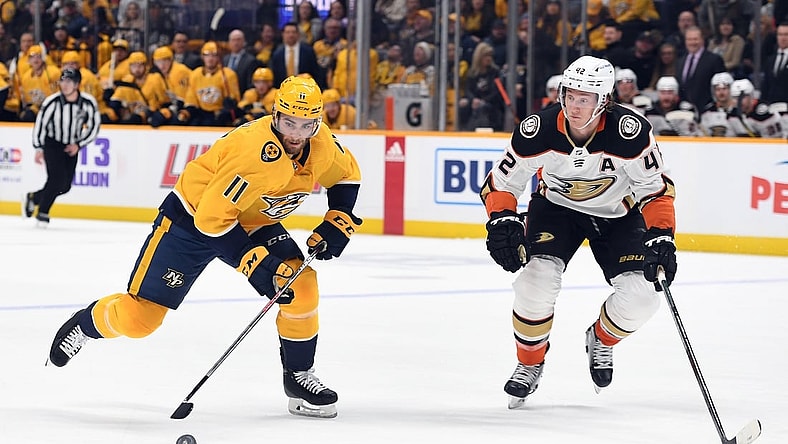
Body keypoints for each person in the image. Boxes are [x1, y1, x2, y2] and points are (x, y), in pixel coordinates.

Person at [46, 75, 362, 419]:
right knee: (140, 321)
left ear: (318, 122)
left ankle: (298, 377)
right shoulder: (252, 153)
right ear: (274, 115)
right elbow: (212, 220)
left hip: (252, 220)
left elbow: (346, 174)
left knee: (300, 283)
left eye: (306, 125)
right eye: (289, 122)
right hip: (191, 221)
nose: (296, 134)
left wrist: (339, 215)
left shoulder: (322, 142)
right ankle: (87, 323)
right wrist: (251, 262)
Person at [479, 55, 677, 408]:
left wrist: (662, 233)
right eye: (570, 95)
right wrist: (502, 218)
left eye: (585, 98)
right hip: (556, 210)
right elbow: (502, 183)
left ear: (604, 100)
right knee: (534, 282)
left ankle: (601, 339)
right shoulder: (538, 129)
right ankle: (529, 364)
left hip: (618, 214)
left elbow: (654, 189)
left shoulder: (630, 132)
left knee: (643, 297)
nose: (574, 104)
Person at [23, 68, 101, 226]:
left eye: (69, 82)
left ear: (77, 84)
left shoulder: (87, 103)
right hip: (53, 144)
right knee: (57, 179)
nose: (64, 85)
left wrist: (79, 145)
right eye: (62, 81)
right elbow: (41, 125)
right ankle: (43, 212)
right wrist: (38, 148)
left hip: (72, 145)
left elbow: (94, 126)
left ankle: (35, 198)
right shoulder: (52, 102)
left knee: (65, 186)